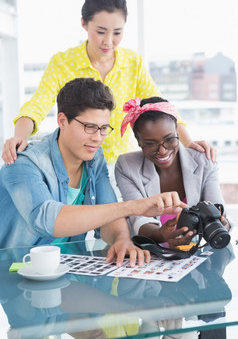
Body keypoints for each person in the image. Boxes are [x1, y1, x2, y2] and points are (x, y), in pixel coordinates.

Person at [1, 0, 215, 166]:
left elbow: (161, 107)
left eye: (117, 33)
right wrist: (19, 137)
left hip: (121, 164)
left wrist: (187, 142)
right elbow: (37, 105)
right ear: (84, 24)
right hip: (75, 164)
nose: (109, 41)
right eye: (101, 32)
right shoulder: (63, 62)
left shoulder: (133, 62)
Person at [0, 78, 191, 267]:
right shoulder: (23, 163)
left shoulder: (94, 157)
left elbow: (109, 213)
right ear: (62, 121)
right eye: (90, 127)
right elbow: (49, 220)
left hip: (69, 270)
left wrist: (121, 239)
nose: (98, 138)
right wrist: (134, 206)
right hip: (15, 274)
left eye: (103, 128)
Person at [115, 97, 230, 244]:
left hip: (195, 254)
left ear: (177, 131)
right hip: (151, 255)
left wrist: (221, 223)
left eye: (169, 139)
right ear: (138, 141)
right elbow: (138, 219)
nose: (162, 151)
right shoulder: (127, 166)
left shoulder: (203, 161)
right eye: (150, 143)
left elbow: (218, 212)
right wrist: (162, 235)